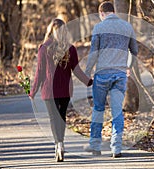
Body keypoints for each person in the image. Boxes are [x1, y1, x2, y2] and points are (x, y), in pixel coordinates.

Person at [29, 18, 93, 162]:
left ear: (50, 31)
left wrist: (33, 91)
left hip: (49, 90)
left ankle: (58, 144)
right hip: (65, 90)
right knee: (61, 117)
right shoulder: (70, 48)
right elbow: (76, 71)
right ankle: (61, 143)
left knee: (54, 118)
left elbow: (39, 72)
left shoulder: (44, 48)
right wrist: (88, 82)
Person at [84, 1, 138, 158]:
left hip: (102, 74)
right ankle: (116, 148)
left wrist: (87, 71)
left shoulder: (99, 27)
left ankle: (95, 146)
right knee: (117, 112)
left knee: (98, 109)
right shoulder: (127, 27)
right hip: (120, 75)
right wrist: (128, 67)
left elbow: (94, 52)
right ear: (113, 11)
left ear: (102, 14)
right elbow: (134, 51)